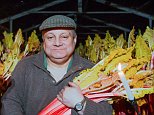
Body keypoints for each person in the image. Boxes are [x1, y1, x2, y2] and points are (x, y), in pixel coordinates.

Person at [1, 15, 112, 115]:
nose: (57, 43)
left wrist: (81, 104)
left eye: (64, 37)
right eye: (50, 37)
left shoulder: (91, 70)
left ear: (74, 40)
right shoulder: (25, 66)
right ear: (43, 41)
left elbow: (106, 111)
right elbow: (10, 101)